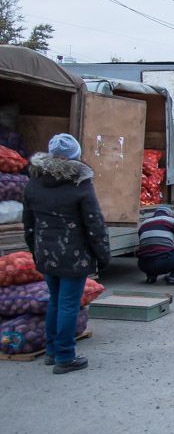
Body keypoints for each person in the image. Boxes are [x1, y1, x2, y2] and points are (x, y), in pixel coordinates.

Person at [22, 134, 110, 374]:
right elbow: (94, 223)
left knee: (55, 300)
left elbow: (28, 223)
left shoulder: (34, 182)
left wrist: (35, 249)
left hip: (46, 253)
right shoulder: (80, 183)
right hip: (73, 255)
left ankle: (51, 351)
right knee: (69, 304)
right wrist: (103, 254)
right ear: (75, 155)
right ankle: (65, 356)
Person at [137, 206, 174, 285]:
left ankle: (151, 276)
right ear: (168, 214)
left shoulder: (144, 223)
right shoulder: (171, 219)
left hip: (143, 265)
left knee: (152, 250)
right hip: (163, 264)